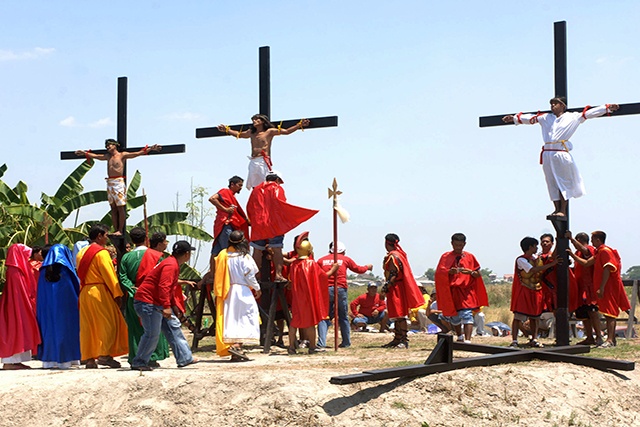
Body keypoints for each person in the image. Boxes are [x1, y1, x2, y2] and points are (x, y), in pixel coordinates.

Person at [502, 98, 620, 217]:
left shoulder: (572, 117)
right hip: (548, 153)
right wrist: (514, 118)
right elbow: (530, 118)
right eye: (551, 104)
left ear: (562, 105)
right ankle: (556, 208)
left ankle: (562, 210)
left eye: (555, 104)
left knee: (562, 181)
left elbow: (589, 113)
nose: (552, 106)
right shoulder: (546, 117)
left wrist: (607, 108)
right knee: (551, 182)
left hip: (560, 152)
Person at [131, 241, 198, 370]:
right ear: (187, 254)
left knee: (173, 328)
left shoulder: (171, 263)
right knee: (152, 333)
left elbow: (169, 288)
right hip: (149, 302)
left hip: (157, 303)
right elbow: (164, 286)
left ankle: (184, 357)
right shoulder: (170, 265)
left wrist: (173, 307)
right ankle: (139, 362)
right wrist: (167, 306)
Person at [75, 139, 161, 234]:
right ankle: (116, 229)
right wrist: (84, 153)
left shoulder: (122, 155)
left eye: (109, 145)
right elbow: (96, 156)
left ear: (115, 145)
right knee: (113, 208)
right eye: (106, 146)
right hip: (109, 182)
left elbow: (137, 153)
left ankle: (120, 230)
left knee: (120, 207)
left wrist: (151, 149)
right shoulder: (107, 157)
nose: (108, 147)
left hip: (118, 182)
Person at [246, 170, 318, 282]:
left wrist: (254, 221)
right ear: (277, 179)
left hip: (259, 225)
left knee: (257, 251)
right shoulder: (277, 188)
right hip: (274, 224)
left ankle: (255, 276)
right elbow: (281, 205)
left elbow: (250, 207)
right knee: (277, 248)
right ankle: (278, 275)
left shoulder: (256, 190)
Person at [76, 224, 128, 368]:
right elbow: (109, 274)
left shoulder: (81, 252)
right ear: (99, 236)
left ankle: (90, 358)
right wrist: (117, 294)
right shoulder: (101, 253)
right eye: (106, 235)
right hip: (99, 291)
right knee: (109, 324)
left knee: (89, 326)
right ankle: (105, 355)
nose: (107, 238)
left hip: (85, 291)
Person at [567, 231, 631, 348]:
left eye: (593, 239)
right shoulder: (599, 252)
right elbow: (586, 263)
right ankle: (596, 338)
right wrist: (572, 255)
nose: (591, 241)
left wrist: (601, 287)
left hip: (607, 286)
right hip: (594, 287)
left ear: (597, 239)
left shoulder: (605, 251)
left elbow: (608, 268)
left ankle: (609, 339)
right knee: (600, 312)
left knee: (609, 313)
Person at [118, 227, 170, 367]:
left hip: (133, 295)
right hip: (151, 296)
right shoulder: (156, 255)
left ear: (132, 240)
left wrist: (132, 289)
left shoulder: (126, 257)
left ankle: (136, 356)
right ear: (146, 238)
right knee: (153, 328)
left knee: (135, 328)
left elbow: (122, 277)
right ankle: (152, 357)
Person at [217, 115, 310, 190]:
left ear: (262, 121)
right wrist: (227, 130)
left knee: (265, 183)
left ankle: (266, 200)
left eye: (257, 119)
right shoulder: (251, 132)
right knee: (254, 183)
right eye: (253, 120)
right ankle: (257, 199)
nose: (254, 121)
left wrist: (299, 125)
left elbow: (287, 131)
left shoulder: (269, 131)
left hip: (263, 160)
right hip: (253, 160)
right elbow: (240, 134)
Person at [212, 230, 262, 362]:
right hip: (242, 291)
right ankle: (236, 346)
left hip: (228, 291)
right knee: (247, 317)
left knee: (232, 320)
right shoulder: (244, 257)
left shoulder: (224, 256)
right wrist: (257, 288)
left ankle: (236, 351)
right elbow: (250, 275)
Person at [287, 234, 339, 355]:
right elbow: (324, 276)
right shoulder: (311, 264)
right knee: (310, 322)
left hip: (296, 297)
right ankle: (312, 346)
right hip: (307, 297)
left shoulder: (294, 265)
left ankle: (291, 347)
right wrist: (333, 269)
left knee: (294, 322)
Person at [317, 241, 373, 348]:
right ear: (343, 250)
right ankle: (346, 342)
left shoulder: (321, 260)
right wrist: (367, 267)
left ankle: (321, 343)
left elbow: (317, 275)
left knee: (323, 316)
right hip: (340, 289)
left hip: (326, 290)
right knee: (343, 316)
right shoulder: (345, 259)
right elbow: (358, 269)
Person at [435, 233, 489, 343]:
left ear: (464, 244)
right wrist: (449, 272)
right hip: (453, 291)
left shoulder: (470, 256)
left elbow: (478, 273)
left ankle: (468, 340)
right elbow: (439, 272)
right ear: (452, 244)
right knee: (454, 316)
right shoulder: (446, 257)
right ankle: (459, 336)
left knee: (467, 314)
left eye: (460, 245)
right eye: (456, 245)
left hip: (466, 291)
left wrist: (471, 272)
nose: (458, 247)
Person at [36, 244, 81, 369]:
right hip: (67, 309)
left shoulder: (43, 271)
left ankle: (50, 360)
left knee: (49, 330)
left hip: (47, 310)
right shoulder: (66, 270)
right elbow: (75, 288)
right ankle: (68, 359)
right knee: (67, 330)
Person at [510, 237, 559, 348]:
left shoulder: (538, 258)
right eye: (535, 246)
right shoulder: (521, 260)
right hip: (525, 290)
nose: (537, 248)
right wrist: (552, 264)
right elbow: (533, 270)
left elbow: (549, 258)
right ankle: (514, 340)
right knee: (518, 316)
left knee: (535, 317)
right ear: (530, 247)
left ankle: (534, 338)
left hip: (536, 290)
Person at [0, 244, 41, 370]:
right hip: (17, 305)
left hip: (18, 304)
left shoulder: (18, 269)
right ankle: (10, 362)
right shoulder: (15, 271)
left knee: (21, 329)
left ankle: (16, 361)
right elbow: (19, 291)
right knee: (16, 328)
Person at [381, 233, 425, 349]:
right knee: (396, 315)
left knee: (400, 315)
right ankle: (397, 338)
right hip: (398, 286)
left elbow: (394, 273)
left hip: (396, 287)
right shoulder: (399, 255)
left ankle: (403, 340)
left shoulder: (393, 256)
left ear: (386, 243)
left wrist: (386, 287)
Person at [566, 231, 602, 345]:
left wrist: (571, 239)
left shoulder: (590, 250)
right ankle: (590, 337)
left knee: (593, 312)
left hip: (589, 287)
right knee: (583, 315)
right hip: (580, 288)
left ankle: (599, 337)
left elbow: (585, 253)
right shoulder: (577, 253)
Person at [209, 176, 250, 266]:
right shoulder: (225, 191)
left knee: (217, 250)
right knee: (228, 250)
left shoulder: (232, 197)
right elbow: (212, 199)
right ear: (232, 184)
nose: (241, 188)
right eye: (239, 185)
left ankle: (212, 275)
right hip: (225, 224)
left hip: (224, 224)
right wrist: (226, 209)